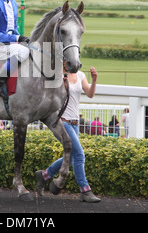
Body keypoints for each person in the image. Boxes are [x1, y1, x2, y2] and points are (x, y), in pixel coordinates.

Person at [35, 67, 101, 203]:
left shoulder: (81, 75)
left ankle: (44, 175)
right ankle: (85, 190)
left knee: (70, 158)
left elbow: (90, 94)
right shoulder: (57, 75)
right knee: (79, 155)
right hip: (62, 123)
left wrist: (94, 80)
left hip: (75, 123)